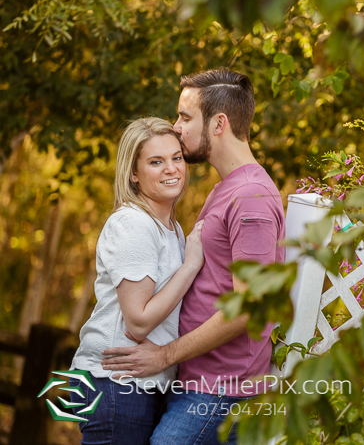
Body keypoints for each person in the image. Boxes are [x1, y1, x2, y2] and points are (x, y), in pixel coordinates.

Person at [101, 69, 286, 444]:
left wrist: (165, 355)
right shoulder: (228, 189)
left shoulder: (251, 198)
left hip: (222, 390)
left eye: (185, 117)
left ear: (219, 124)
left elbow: (251, 305)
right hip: (200, 383)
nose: (177, 126)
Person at [69, 117, 205, 444]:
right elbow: (139, 321)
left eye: (176, 158)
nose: (171, 169)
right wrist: (190, 266)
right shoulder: (133, 224)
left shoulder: (167, 228)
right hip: (116, 383)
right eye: (156, 162)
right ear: (134, 173)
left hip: (136, 383)